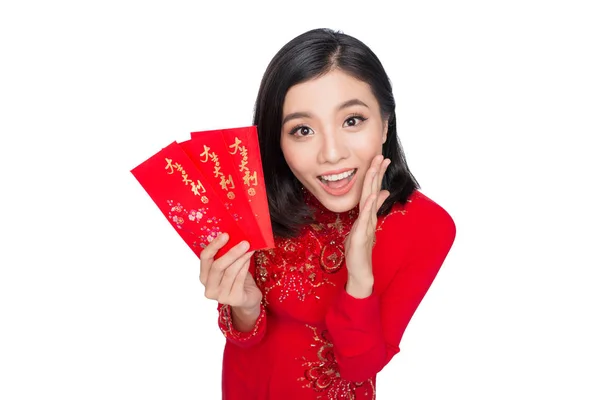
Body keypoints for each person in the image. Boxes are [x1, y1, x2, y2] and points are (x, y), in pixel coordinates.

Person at [199, 28, 456, 399]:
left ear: (385, 123)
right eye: (303, 129)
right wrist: (244, 306)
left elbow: (360, 367)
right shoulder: (255, 199)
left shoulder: (426, 226)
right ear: (278, 139)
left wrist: (360, 277)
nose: (331, 153)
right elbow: (247, 338)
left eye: (352, 120)